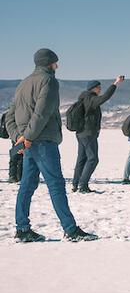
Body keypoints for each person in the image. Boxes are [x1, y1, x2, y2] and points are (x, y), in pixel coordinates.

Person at [5, 48, 97, 241]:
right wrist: (28, 137)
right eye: (55, 62)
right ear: (49, 63)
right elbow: (42, 112)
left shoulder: (23, 83)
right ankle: (71, 230)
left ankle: (22, 229)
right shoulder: (49, 81)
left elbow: (9, 115)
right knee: (55, 184)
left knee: (27, 185)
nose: (57, 65)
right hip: (42, 141)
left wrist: (19, 137)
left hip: (29, 142)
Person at [72, 76, 125, 193]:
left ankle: (75, 184)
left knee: (82, 159)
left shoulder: (84, 98)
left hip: (81, 133)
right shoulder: (90, 99)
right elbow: (105, 97)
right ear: (92, 89)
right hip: (88, 133)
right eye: (98, 87)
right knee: (93, 159)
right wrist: (115, 83)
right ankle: (83, 185)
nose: (100, 89)